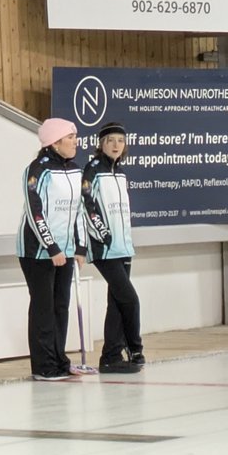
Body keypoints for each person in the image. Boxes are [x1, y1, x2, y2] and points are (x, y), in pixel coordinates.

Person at [16, 117, 89, 380]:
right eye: (70, 137)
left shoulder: (76, 170)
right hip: (38, 252)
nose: (75, 142)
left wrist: (80, 247)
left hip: (66, 251)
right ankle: (43, 366)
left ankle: (59, 360)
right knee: (43, 307)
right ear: (55, 142)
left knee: (60, 307)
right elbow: (35, 213)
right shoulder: (37, 170)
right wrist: (52, 247)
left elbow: (79, 211)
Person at [82, 122, 144, 374]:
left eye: (120, 140)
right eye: (111, 140)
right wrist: (104, 234)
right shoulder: (93, 170)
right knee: (130, 299)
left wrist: (125, 240)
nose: (116, 145)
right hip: (105, 249)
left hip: (123, 247)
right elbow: (87, 204)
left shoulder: (121, 173)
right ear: (102, 144)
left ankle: (111, 356)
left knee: (117, 302)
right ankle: (134, 348)